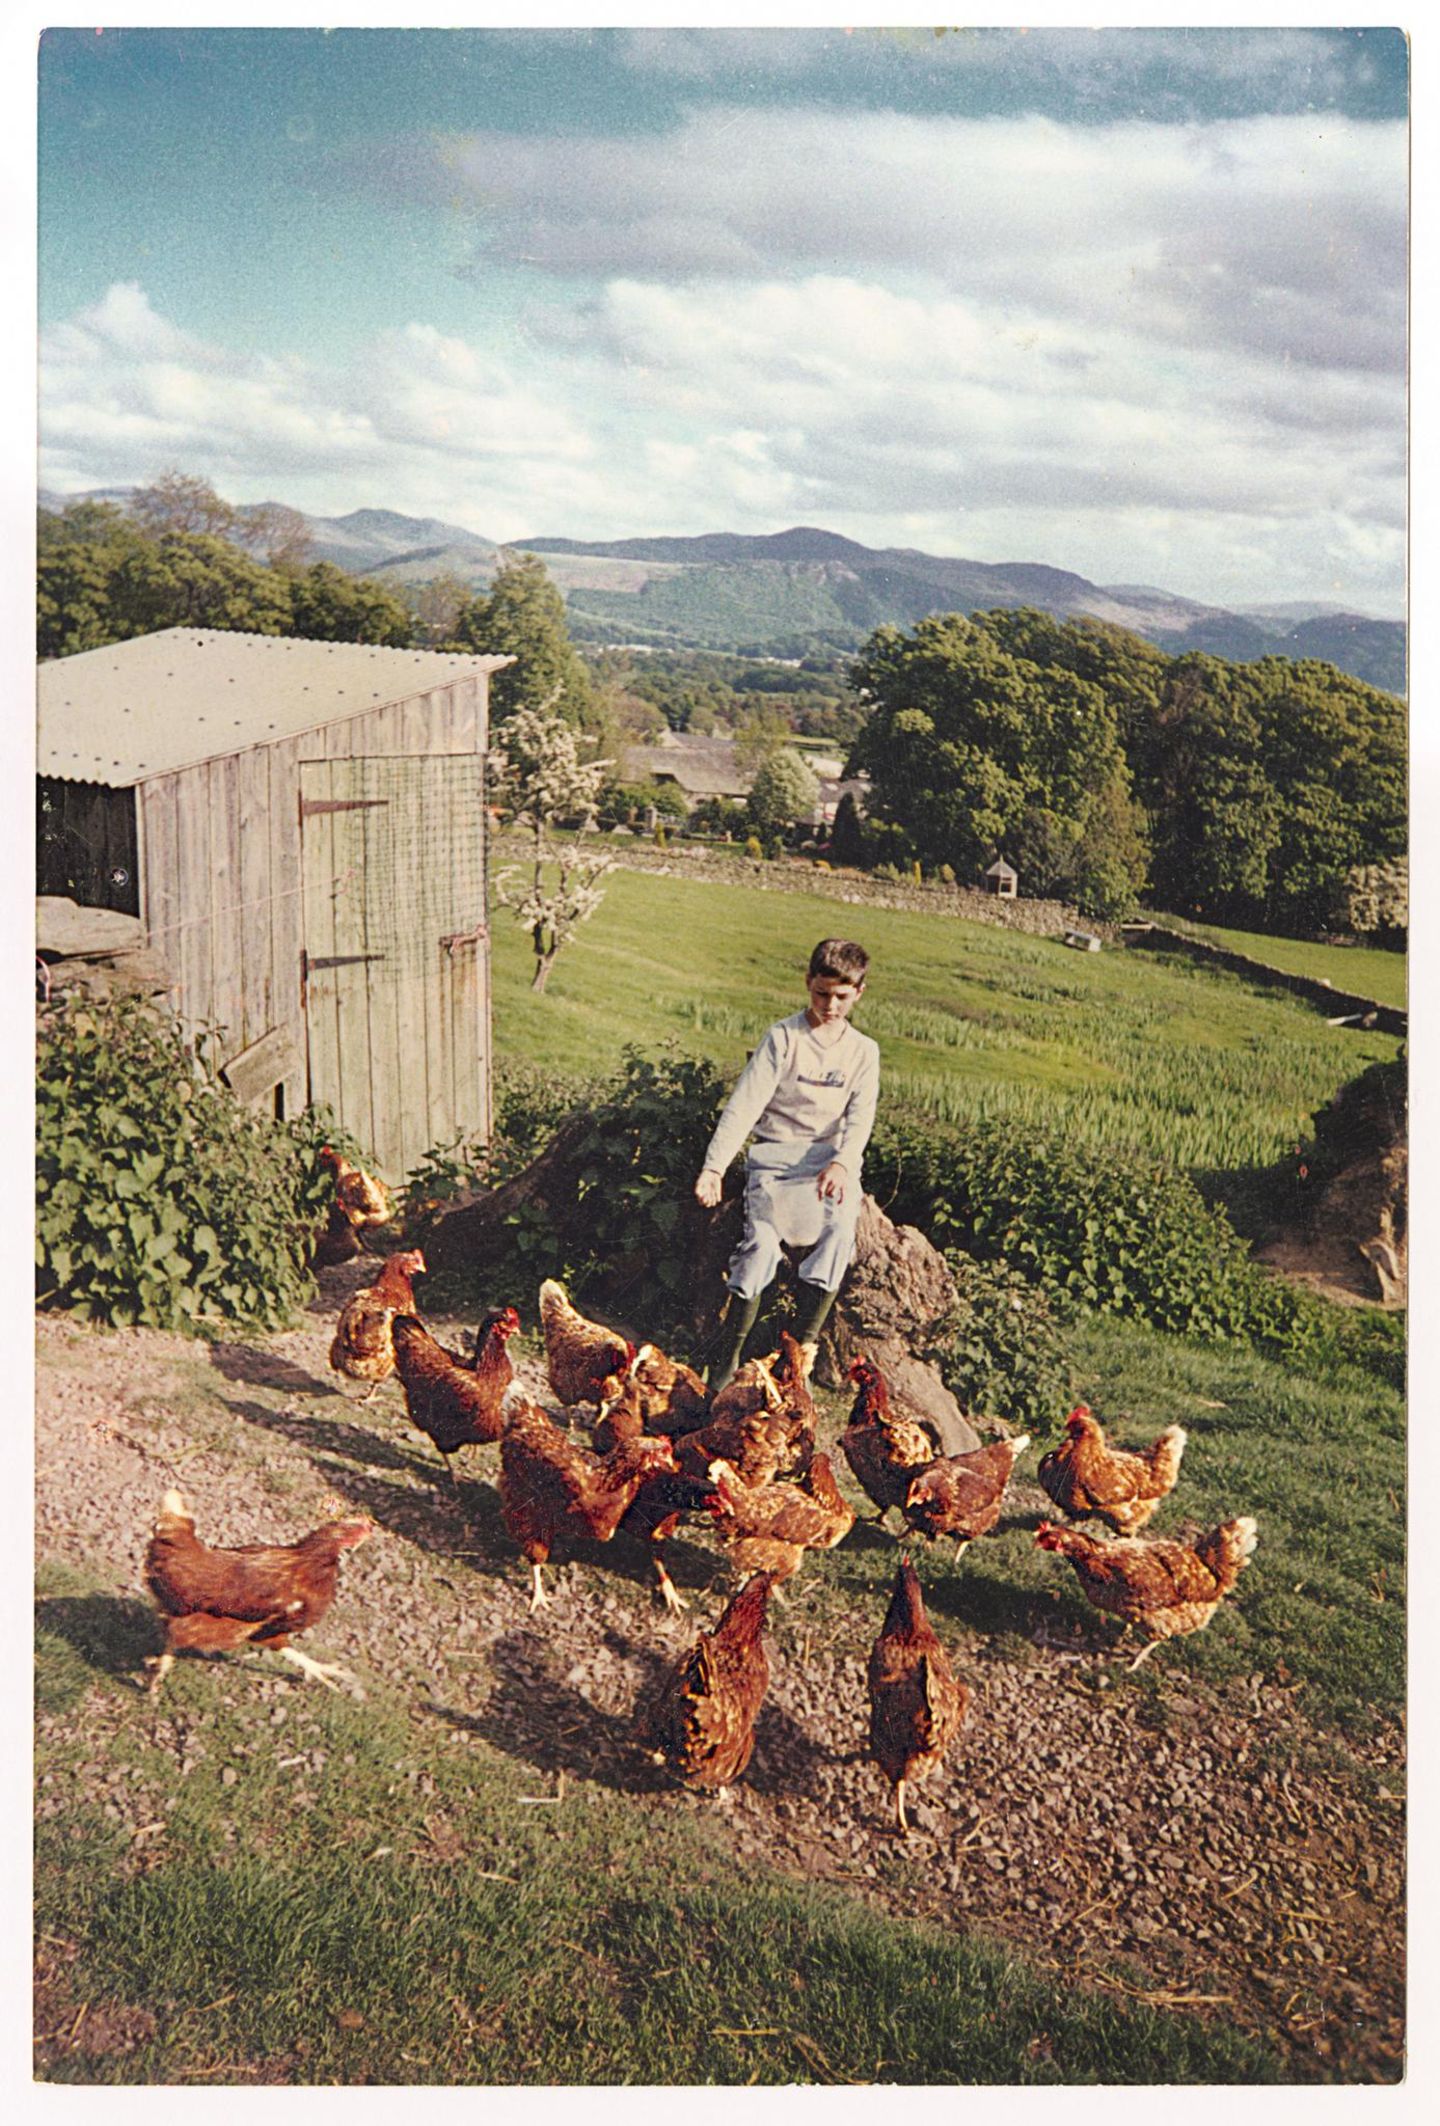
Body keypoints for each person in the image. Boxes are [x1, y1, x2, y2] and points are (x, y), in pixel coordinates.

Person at [695, 938, 879, 1392]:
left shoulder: (863, 1052)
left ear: (859, 991)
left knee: (838, 1236)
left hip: (828, 1165)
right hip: (775, 1162)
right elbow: (745, 1104)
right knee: (759, 1245)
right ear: (807, 985)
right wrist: (714, 1168)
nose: (829, 1006)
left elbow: (860, 1120)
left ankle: (800, 1355)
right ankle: (727, 1359)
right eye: (820, 994)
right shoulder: (784, 1038)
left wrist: (842, 1163)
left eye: (841, 996)